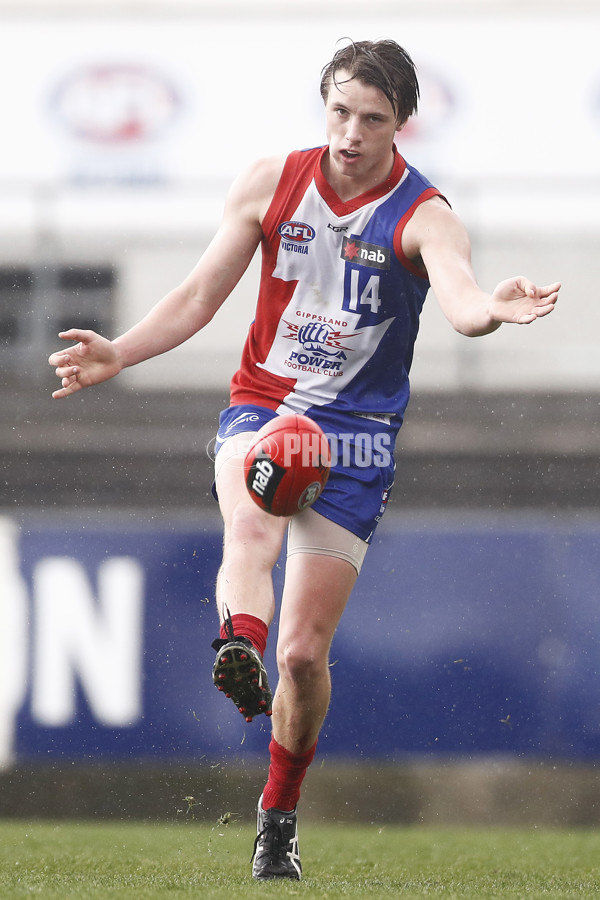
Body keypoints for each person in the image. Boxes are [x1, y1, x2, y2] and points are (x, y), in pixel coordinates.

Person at [49, 39, 560, 880]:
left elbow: (463, 305)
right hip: (265, 406)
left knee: (304, 658)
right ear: (322, 104)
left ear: (402, 123)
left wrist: (494, 309)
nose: (352, 133)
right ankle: (234, 643)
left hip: (357, 440)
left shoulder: (426, 214)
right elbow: (197, 296)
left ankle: (277, 815)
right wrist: (120, 354)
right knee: (251, 518)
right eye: (340, 111)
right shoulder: (270, 182)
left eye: (373, 118)